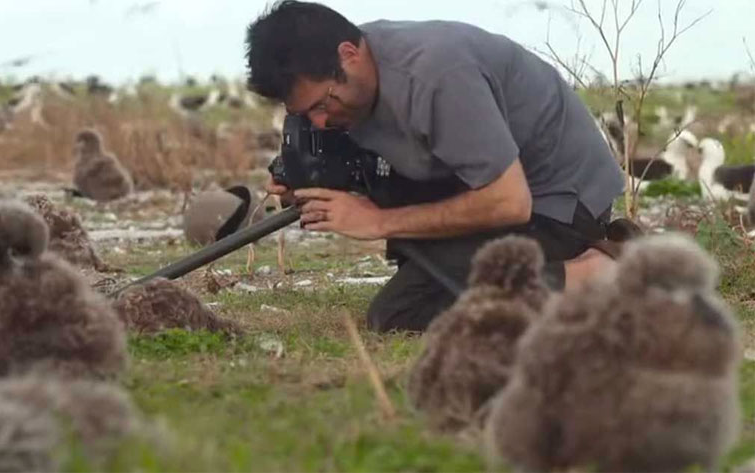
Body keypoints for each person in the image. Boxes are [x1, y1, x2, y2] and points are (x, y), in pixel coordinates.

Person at [245, 0, 633, 332]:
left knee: (403, 310)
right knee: (410, 296)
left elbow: (509, 203)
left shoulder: (437, 76)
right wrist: (308, 183)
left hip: (558, 203)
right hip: (485, 190)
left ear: (349, 54)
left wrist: (377, 222)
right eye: (304, 113)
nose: (319, 122)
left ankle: (598, 274)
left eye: (322, 104)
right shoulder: (347, 80)